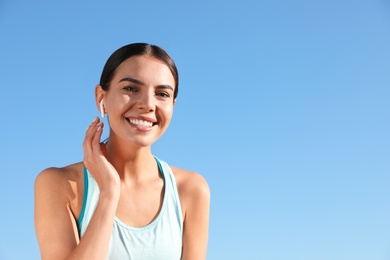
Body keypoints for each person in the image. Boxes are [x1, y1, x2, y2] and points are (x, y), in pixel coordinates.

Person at [34, 43, 210, 260]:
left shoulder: (191, 190)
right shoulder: (58, 185)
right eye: (131, 88)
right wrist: (109, 193)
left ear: (173, 104)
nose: (147, 104)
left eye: (162, 94)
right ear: (102, 98)